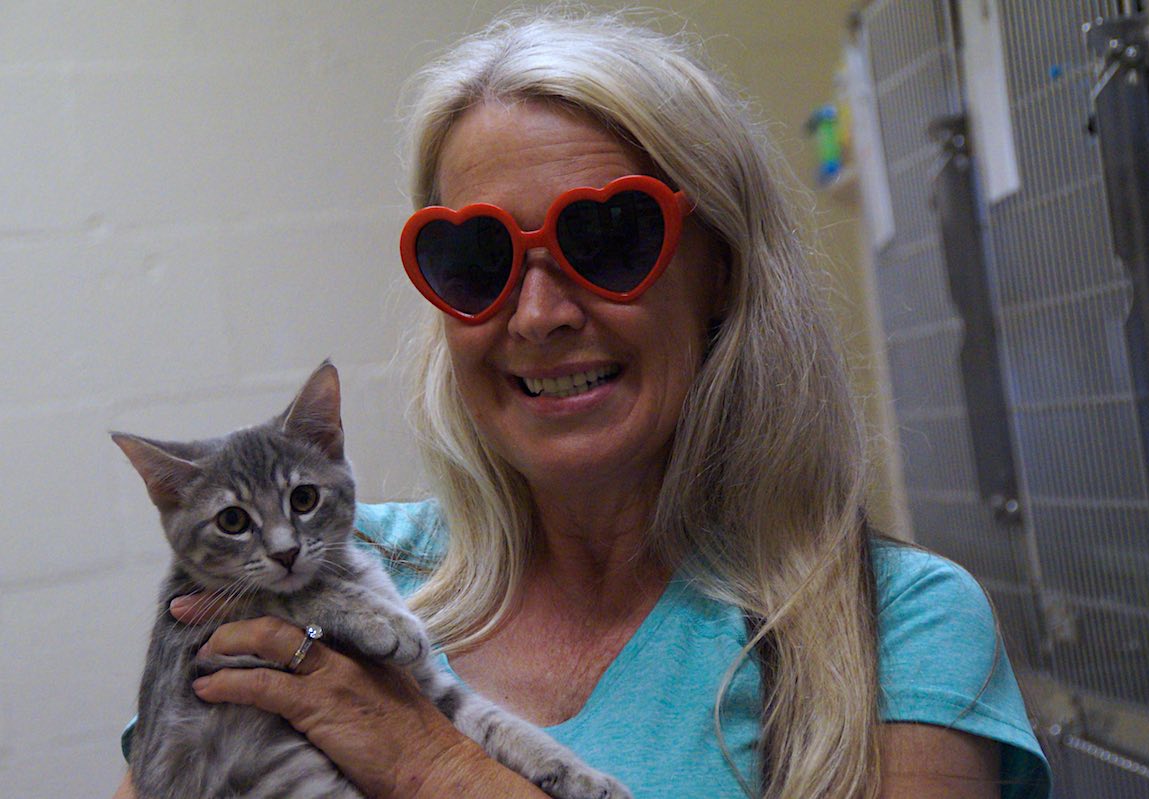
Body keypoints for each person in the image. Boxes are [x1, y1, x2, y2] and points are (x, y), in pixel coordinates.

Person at [114, 9, 1051, 798]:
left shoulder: (899, 628)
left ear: (719, 265)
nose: (539, 315)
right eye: (476, 261)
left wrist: (436, 766)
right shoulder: (338, 576)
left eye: (605, 238)